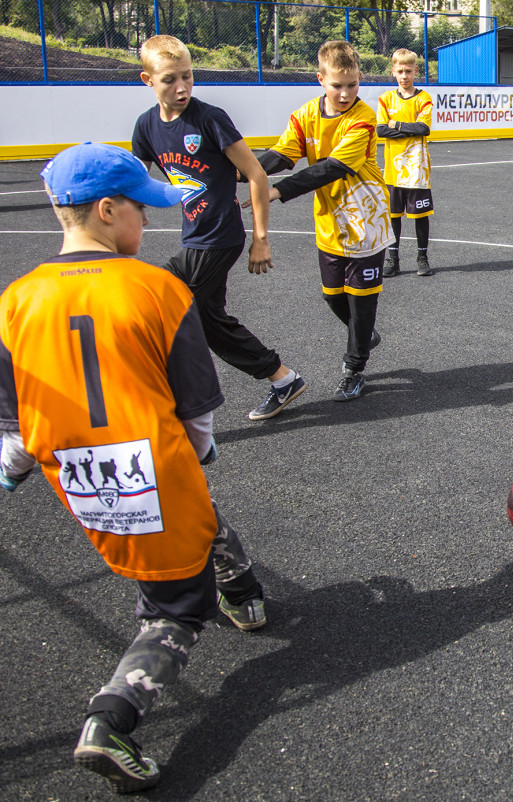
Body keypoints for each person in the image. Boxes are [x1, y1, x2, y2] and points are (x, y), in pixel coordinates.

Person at [0, 143, 267, 793]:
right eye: (142, 212)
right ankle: (112, 719)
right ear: (106, 210)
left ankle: (242, 587)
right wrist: (198, 451)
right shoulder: (158, 288)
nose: (148, 224)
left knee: (190, 523)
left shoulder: (16, 300)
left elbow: (12, 425)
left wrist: (10, 471)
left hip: (79, 477)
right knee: (175, 606)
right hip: (154, 462)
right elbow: (197, 413)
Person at [132, 35, 305, 422]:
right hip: (192, 236)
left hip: (219, 237)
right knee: (210, 321)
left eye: (188, 77)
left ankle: (171, 407)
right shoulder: (146, 126)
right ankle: (283, 379)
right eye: (169, 79)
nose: (181, 87)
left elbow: (256, 174)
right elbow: (136, 180)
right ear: (147, 80)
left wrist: (260, 240)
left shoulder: (210, 118)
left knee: (165, 309)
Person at [254, 40, 393, 402]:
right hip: (330, 221)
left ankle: (354, 368)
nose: (345, 93)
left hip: (366, 221)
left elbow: (332, 168)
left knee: (361, 300)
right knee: (333, 296)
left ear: (360, 79)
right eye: (337, 85)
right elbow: (282, 155)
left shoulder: (363, 117)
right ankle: (363, 335)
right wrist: (240, 171)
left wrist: (277, 192)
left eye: (352, 84)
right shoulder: (304, 116)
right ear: (320, 79)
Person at [377, 48, 436, 277]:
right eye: (400, 71)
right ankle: (393, 260)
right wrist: (406, 129)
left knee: (420, 216)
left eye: (409, 71)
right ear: (393, 71)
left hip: (417, 171)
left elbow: (424, 128)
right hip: (393, 170)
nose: (404, 76)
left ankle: (422, 257)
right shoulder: (386, 98)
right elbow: (381, 130)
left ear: (416, 71)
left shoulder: (423, 98)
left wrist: (397, 125)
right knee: (393, 215)